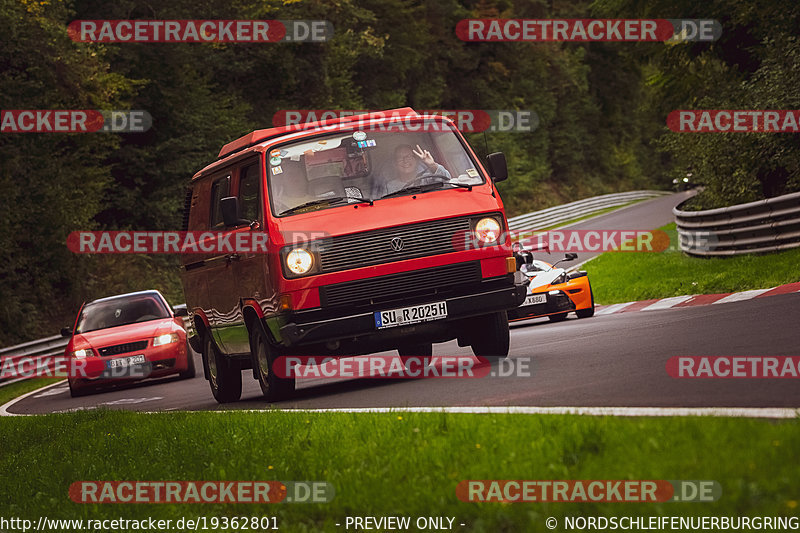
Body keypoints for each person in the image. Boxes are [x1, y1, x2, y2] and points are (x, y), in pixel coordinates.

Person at [373, 144, 451, 197]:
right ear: (395, 164)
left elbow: (447, 183)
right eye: (400, 158)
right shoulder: (389, 186)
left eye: (408, 156)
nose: (405, 161)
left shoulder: (427, 178)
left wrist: (432, 165)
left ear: (416, 160)